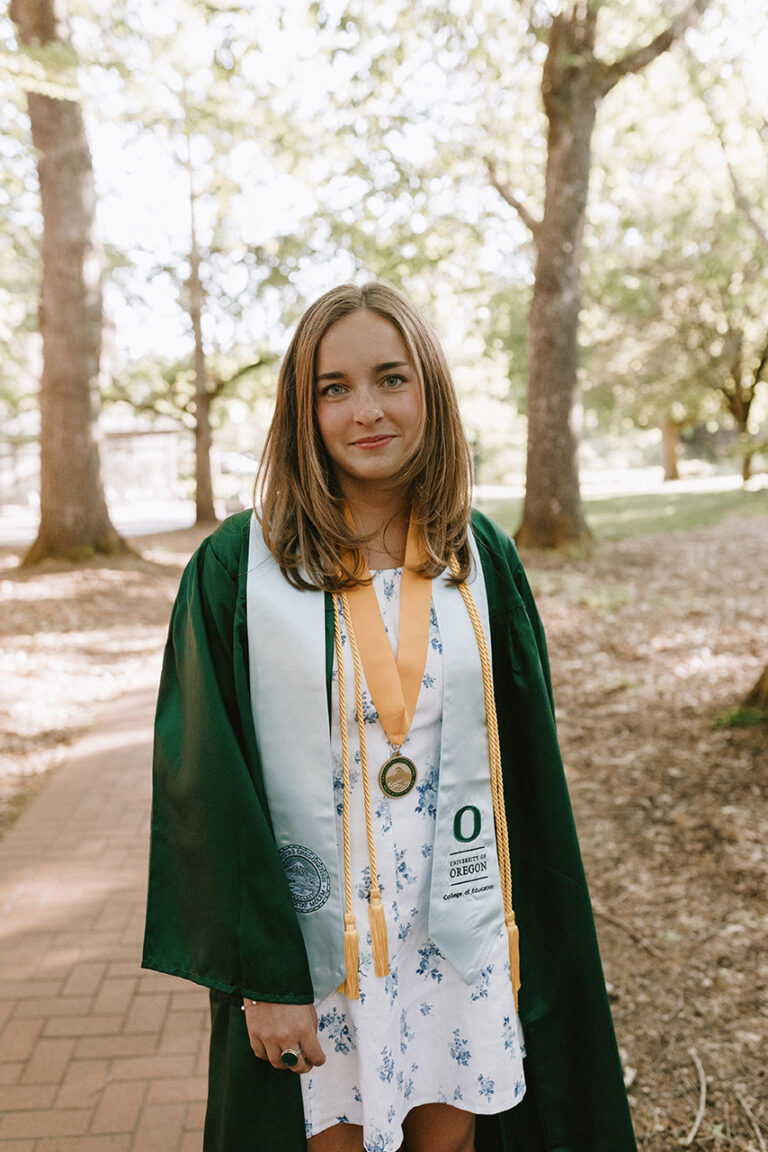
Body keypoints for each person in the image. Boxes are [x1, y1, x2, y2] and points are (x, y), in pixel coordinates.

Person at [142, 282, 637, 1152]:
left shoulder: (480, 561)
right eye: (333, 387)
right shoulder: (238, 571)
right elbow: (207, 792)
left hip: (456, 924)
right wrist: (265, 978)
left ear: (429, 393)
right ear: (304, 409)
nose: (365, 410)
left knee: (448, 1142)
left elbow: (527, 773)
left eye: (390, 379)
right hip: (320, 945)